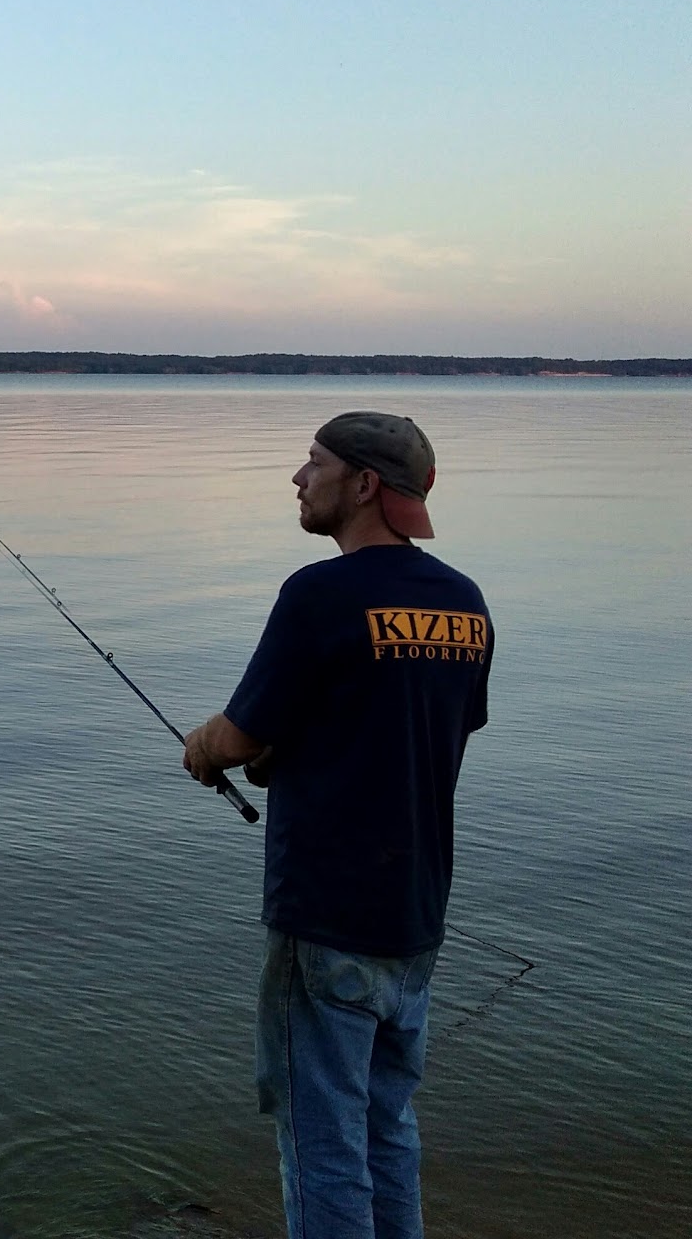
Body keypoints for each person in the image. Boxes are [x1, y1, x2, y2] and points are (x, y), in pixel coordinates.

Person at [179, 412, 493, 1239]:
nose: (298, 477)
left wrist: (205, 747)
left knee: (319, 1140)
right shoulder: (464, 603)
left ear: (363, 485)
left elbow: (236, 737)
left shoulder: (319, 594)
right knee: (387, 1127)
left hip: (326, 917)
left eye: (313, 463)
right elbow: (412, 732)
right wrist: (289, 755)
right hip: (416, 919)